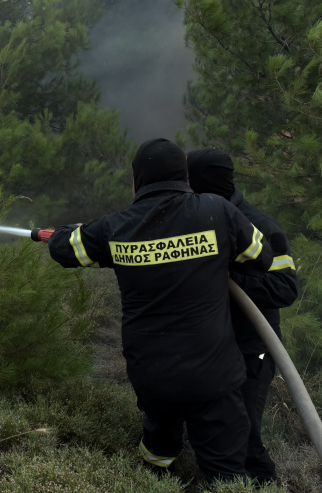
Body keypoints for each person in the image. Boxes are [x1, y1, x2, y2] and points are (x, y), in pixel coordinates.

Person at [39, 138, 279, 483]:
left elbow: (66, 250)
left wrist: (68, 232)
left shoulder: (115, 227)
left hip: (151, 373)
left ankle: (153, 478)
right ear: (185, 179)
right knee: (225, 468)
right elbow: (261, 258)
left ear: (137, 182)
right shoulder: (217, 210)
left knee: (159, 440)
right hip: (211, 372)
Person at [188, 147, 298, 485]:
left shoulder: (260, 226)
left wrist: (229, 274)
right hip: (210, 348)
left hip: (254, 350)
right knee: (209, 430)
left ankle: (266, 485)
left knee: (244, 432)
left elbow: (284, 288)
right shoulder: (194, 220)